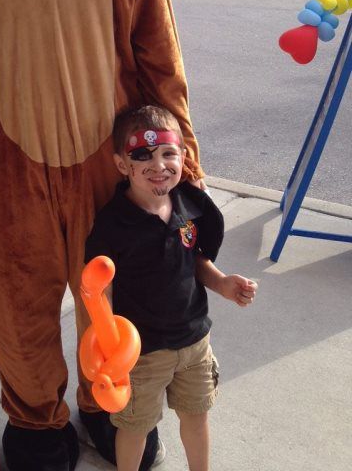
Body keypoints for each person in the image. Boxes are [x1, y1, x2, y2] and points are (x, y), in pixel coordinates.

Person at [85, 105, 258, 471]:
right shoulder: (113, 223)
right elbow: (101, 289)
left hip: (194, 343)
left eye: (168, 153)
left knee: (196, 418)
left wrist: (223, 283)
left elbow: (194, 261)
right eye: (142, 155)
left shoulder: (187, 204)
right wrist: (107, 346)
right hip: (142, 355)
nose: (158, 164)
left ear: (182, 155)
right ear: (122, 165)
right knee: (134, 427)